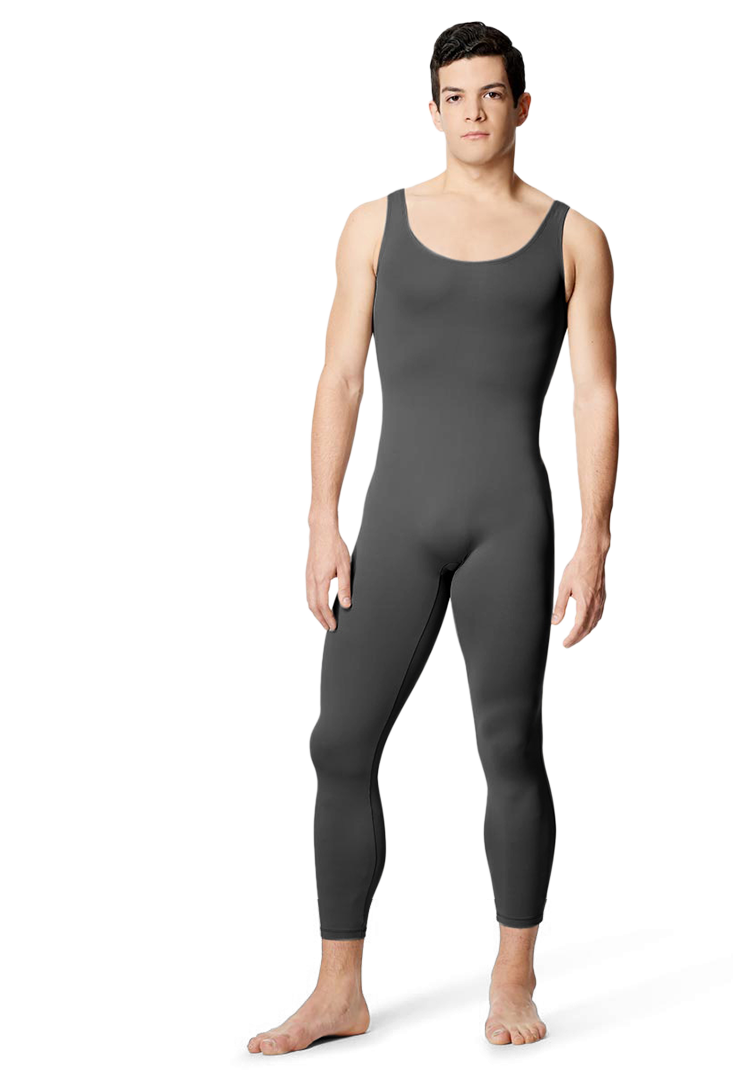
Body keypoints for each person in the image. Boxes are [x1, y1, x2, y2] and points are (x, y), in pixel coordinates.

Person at [247, 20, 617, 1056]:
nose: (473, 112)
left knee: (509, 746)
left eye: (492, 94)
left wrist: (596, 540)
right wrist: (321, 521)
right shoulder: (372, 222)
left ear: (523, 108)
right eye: (455, 96)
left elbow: (596, 394)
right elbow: (339, 376)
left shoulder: (576, 236)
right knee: (336, 744)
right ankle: (339, 991)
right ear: (431, 110)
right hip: (396, 517)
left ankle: (513, 978)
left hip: (512, 520)